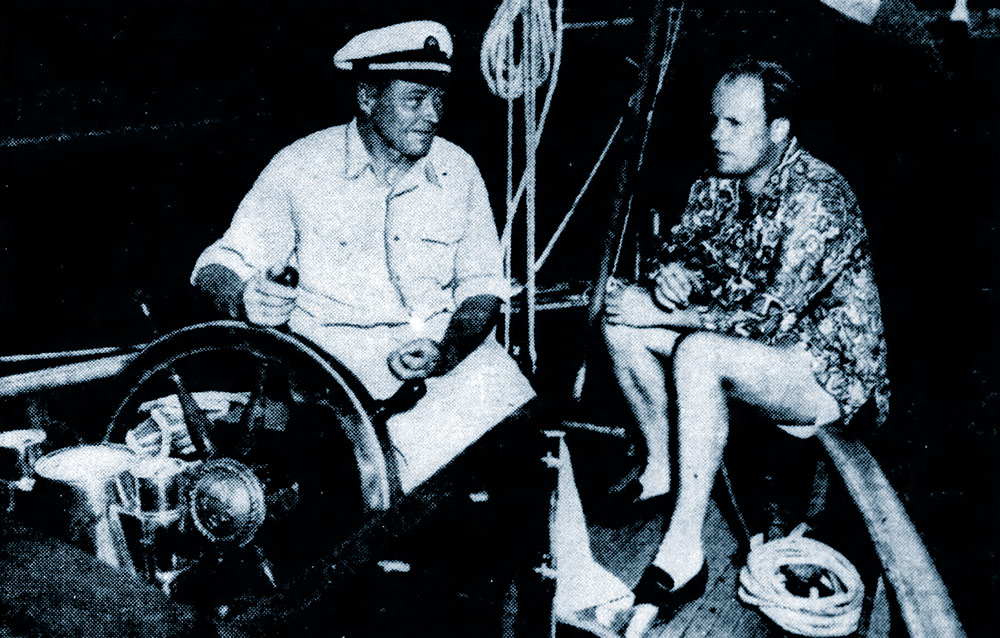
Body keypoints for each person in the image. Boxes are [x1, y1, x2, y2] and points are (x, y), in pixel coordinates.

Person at [602, 57, 889, 625]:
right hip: (755, 351)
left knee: (698, 352)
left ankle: (682, 553)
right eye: (715, 120)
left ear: (778, 130)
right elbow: (679, 247)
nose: (717, 135)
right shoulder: (720, 183)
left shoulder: (820, 195)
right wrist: (669, 275)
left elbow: (769, 318)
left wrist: (669, 313)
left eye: (735, 124)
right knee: (621, 325)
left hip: (827, 372)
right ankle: (664, 466)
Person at [191, 20, 534, 493]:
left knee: (527, 432)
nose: (432, 115)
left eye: (439, 100)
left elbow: (481, 289)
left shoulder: (458, 170)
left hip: (444, 357)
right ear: (368, 98)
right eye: (416, 99)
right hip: (342, 375)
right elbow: (216, 265)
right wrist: (246, 296)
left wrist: (447, 351)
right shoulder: (302, 167)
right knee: (409, 486)